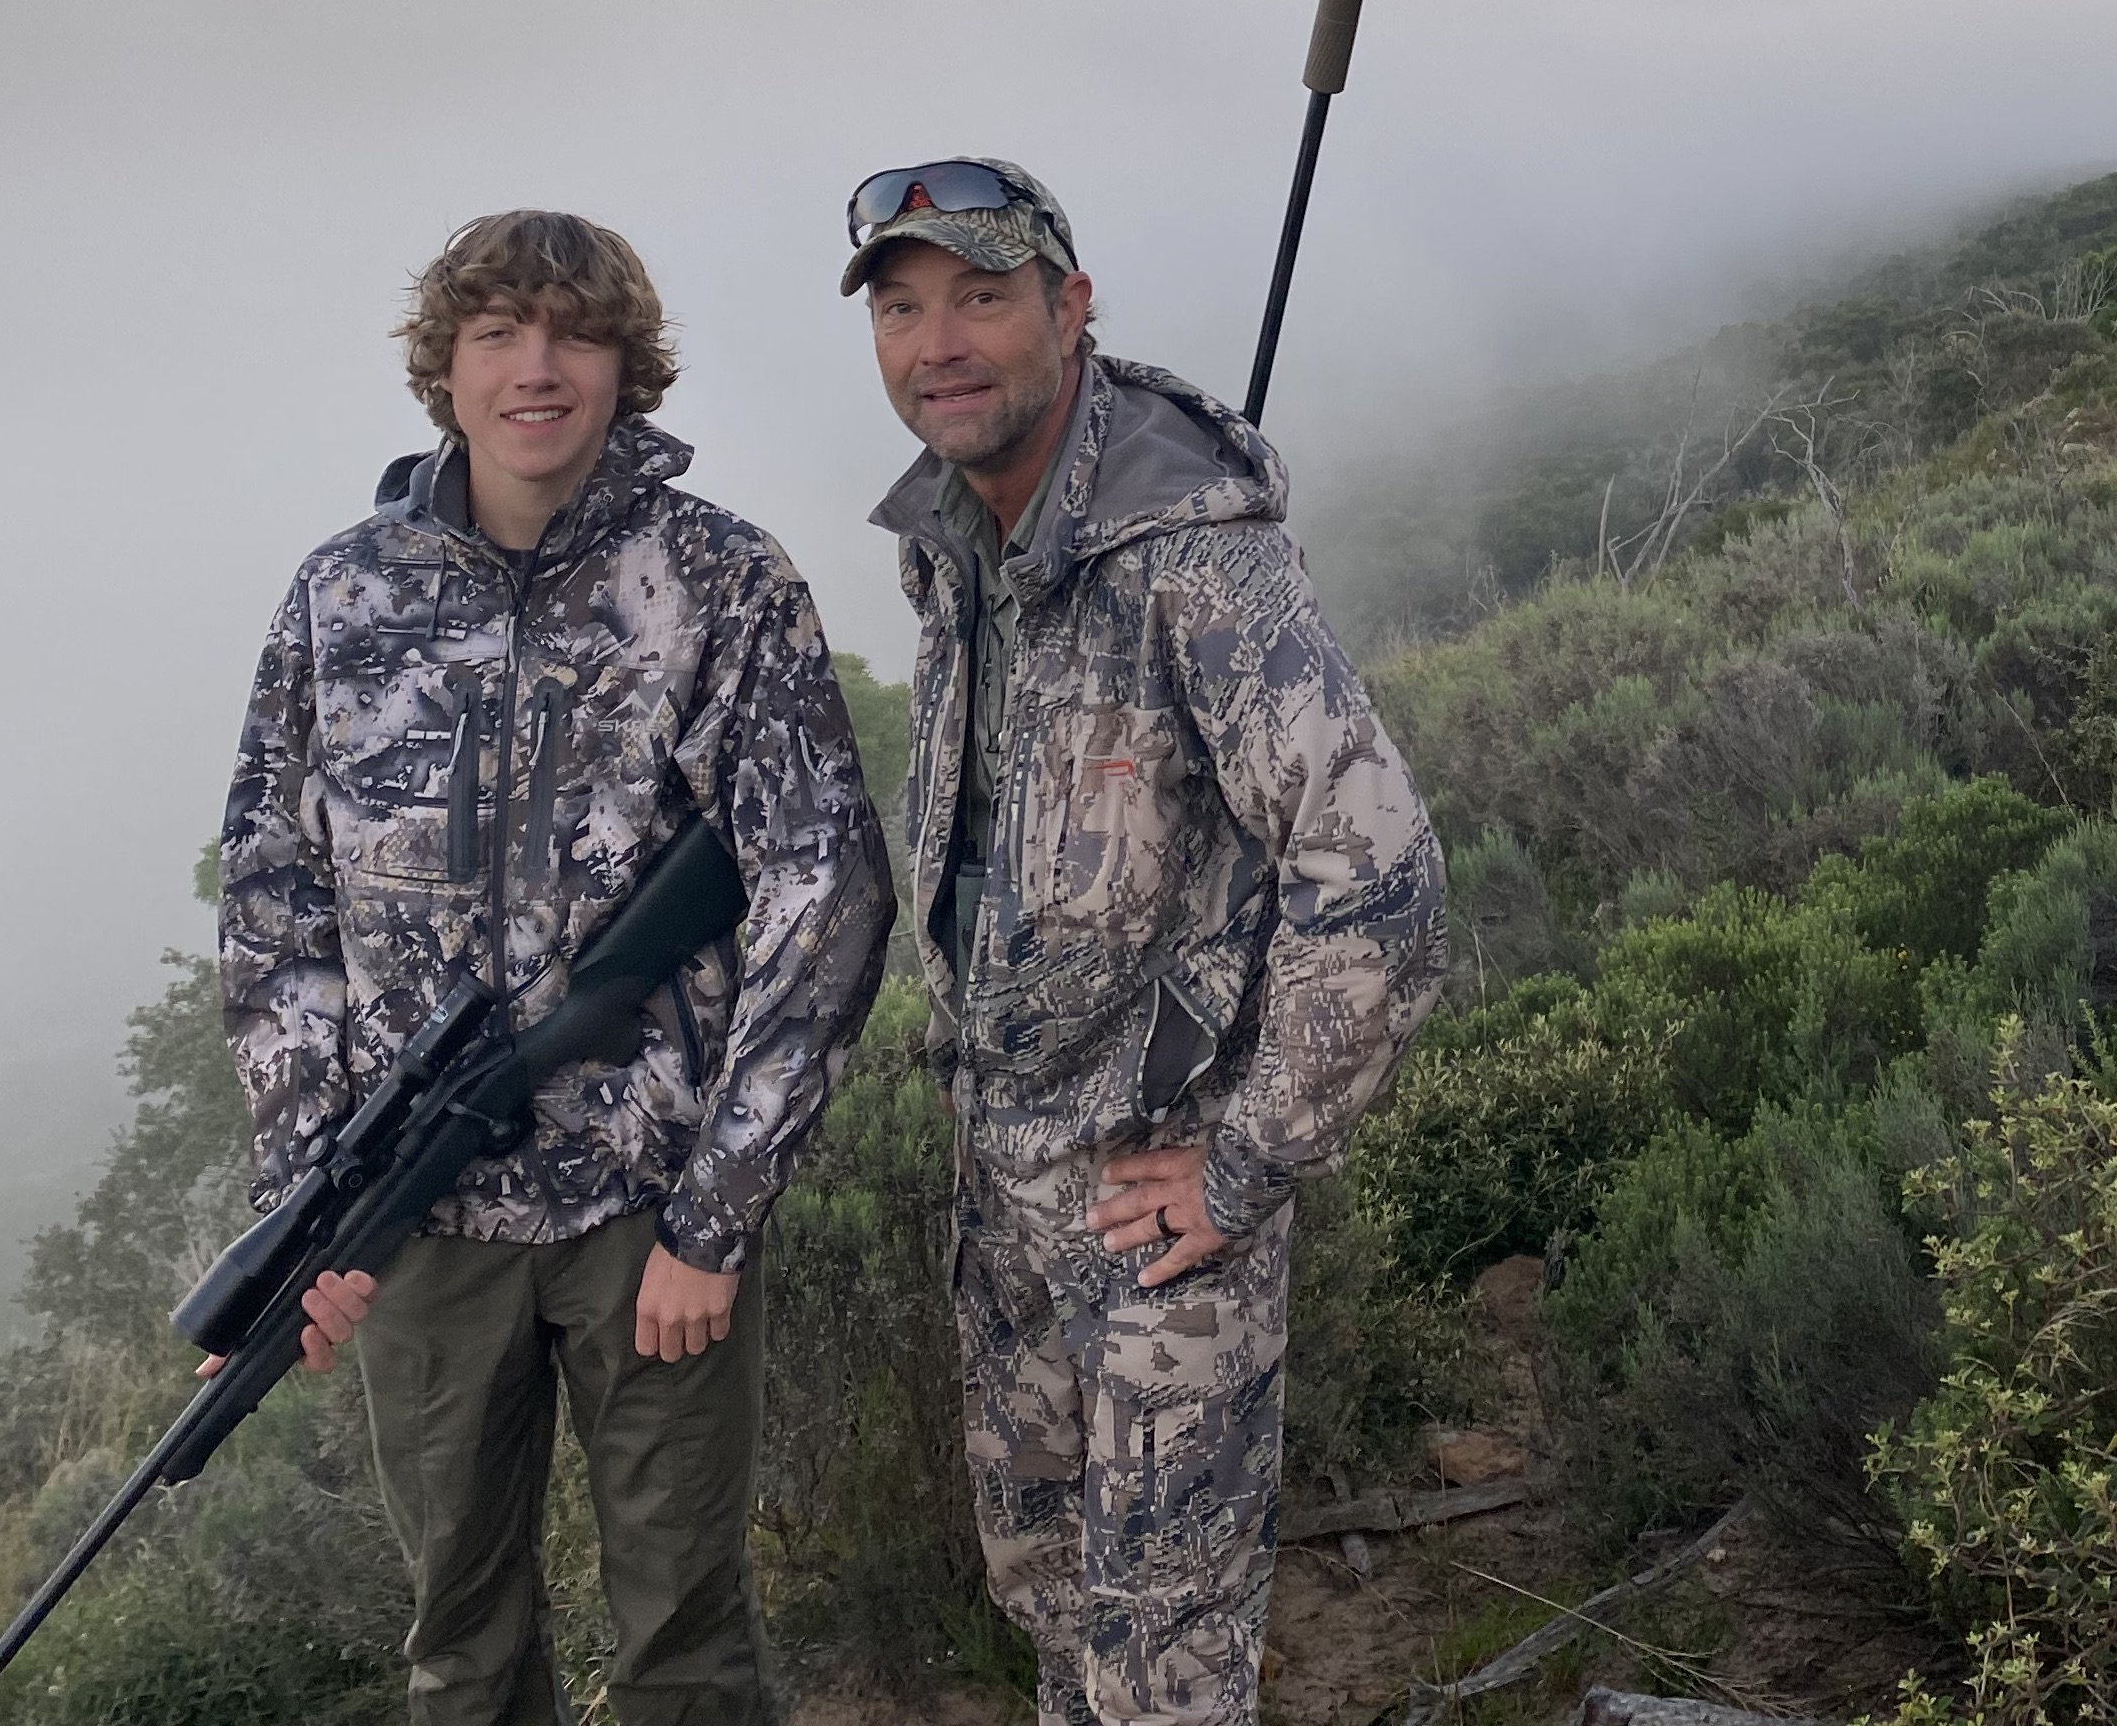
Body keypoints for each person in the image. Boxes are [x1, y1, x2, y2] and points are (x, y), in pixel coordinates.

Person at [221, 210, 896, 1726]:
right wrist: (308, 1217)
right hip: (423, 1221)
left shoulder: (719, 581)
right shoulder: (344, 599)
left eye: (574, 334)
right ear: (443, 372)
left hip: (649, 1214)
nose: (538, 369)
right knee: (459, 1653)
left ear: (625, 366)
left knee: (688, 1647)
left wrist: (716, 1212)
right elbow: (274, 913)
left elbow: (826, 892)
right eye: (498, 336)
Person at [845, 157, 1445, 1726]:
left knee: (1165, 1672)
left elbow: (1377, 871)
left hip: (1154, 1211)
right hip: (1005, 1183)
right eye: (904, 309)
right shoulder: (961, 541)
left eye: (982, 296)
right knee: (1055, 1611)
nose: (941, 341)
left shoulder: (1197, 555)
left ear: (1070, 307)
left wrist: (1244, 1161)